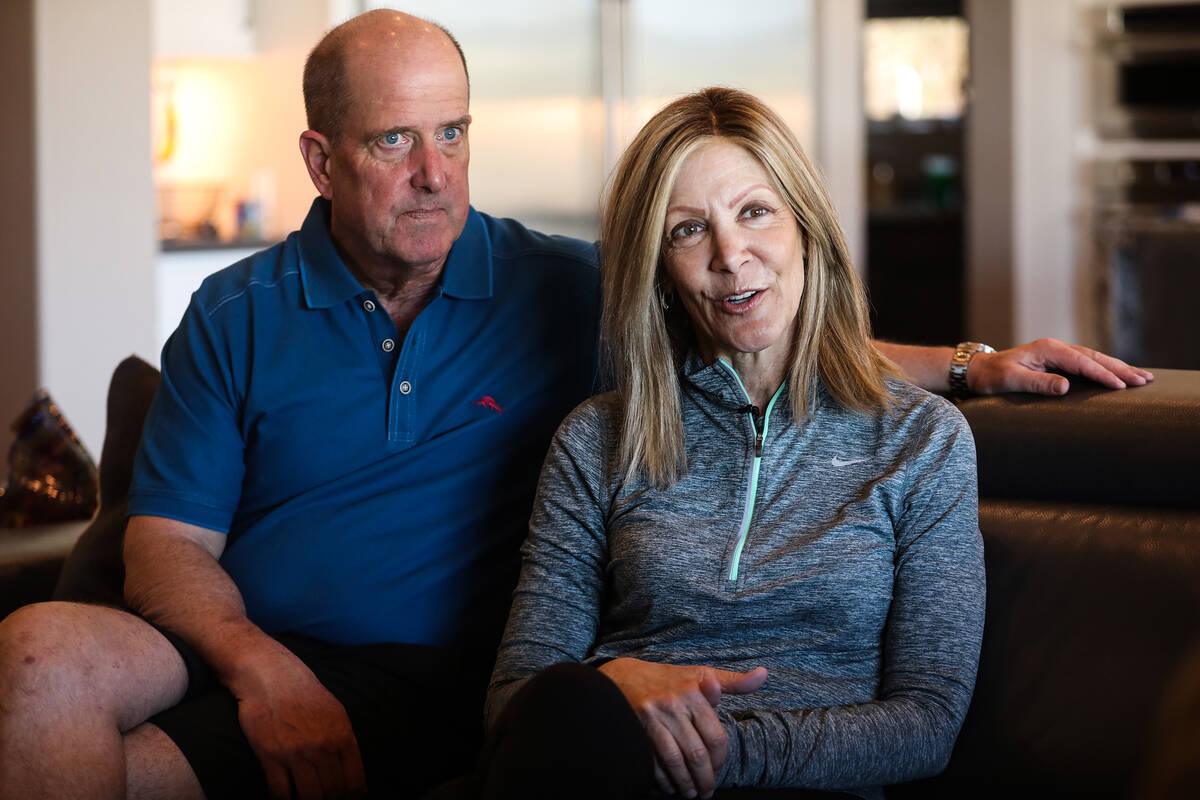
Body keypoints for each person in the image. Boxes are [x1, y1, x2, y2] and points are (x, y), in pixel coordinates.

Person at [0, 9, 1150, 800]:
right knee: (39, 651)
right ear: (320, 157)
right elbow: (162, 550)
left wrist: (967, 361)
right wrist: (263, 670)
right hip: (258, 650)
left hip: (432, 682)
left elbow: (758, 316)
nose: (435, 173)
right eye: (395, 140)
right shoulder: (236, 309)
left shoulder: (560, 283)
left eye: (452, 133)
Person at [475, 88, 986, 800]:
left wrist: (710, 752)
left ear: (805, 227)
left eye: (754, 212)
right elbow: (514, 699)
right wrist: (610, 685)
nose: (729, 255)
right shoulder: (596, 439)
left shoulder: (922, 439)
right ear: (659, 271)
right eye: (688, 230)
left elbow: (927, 725)